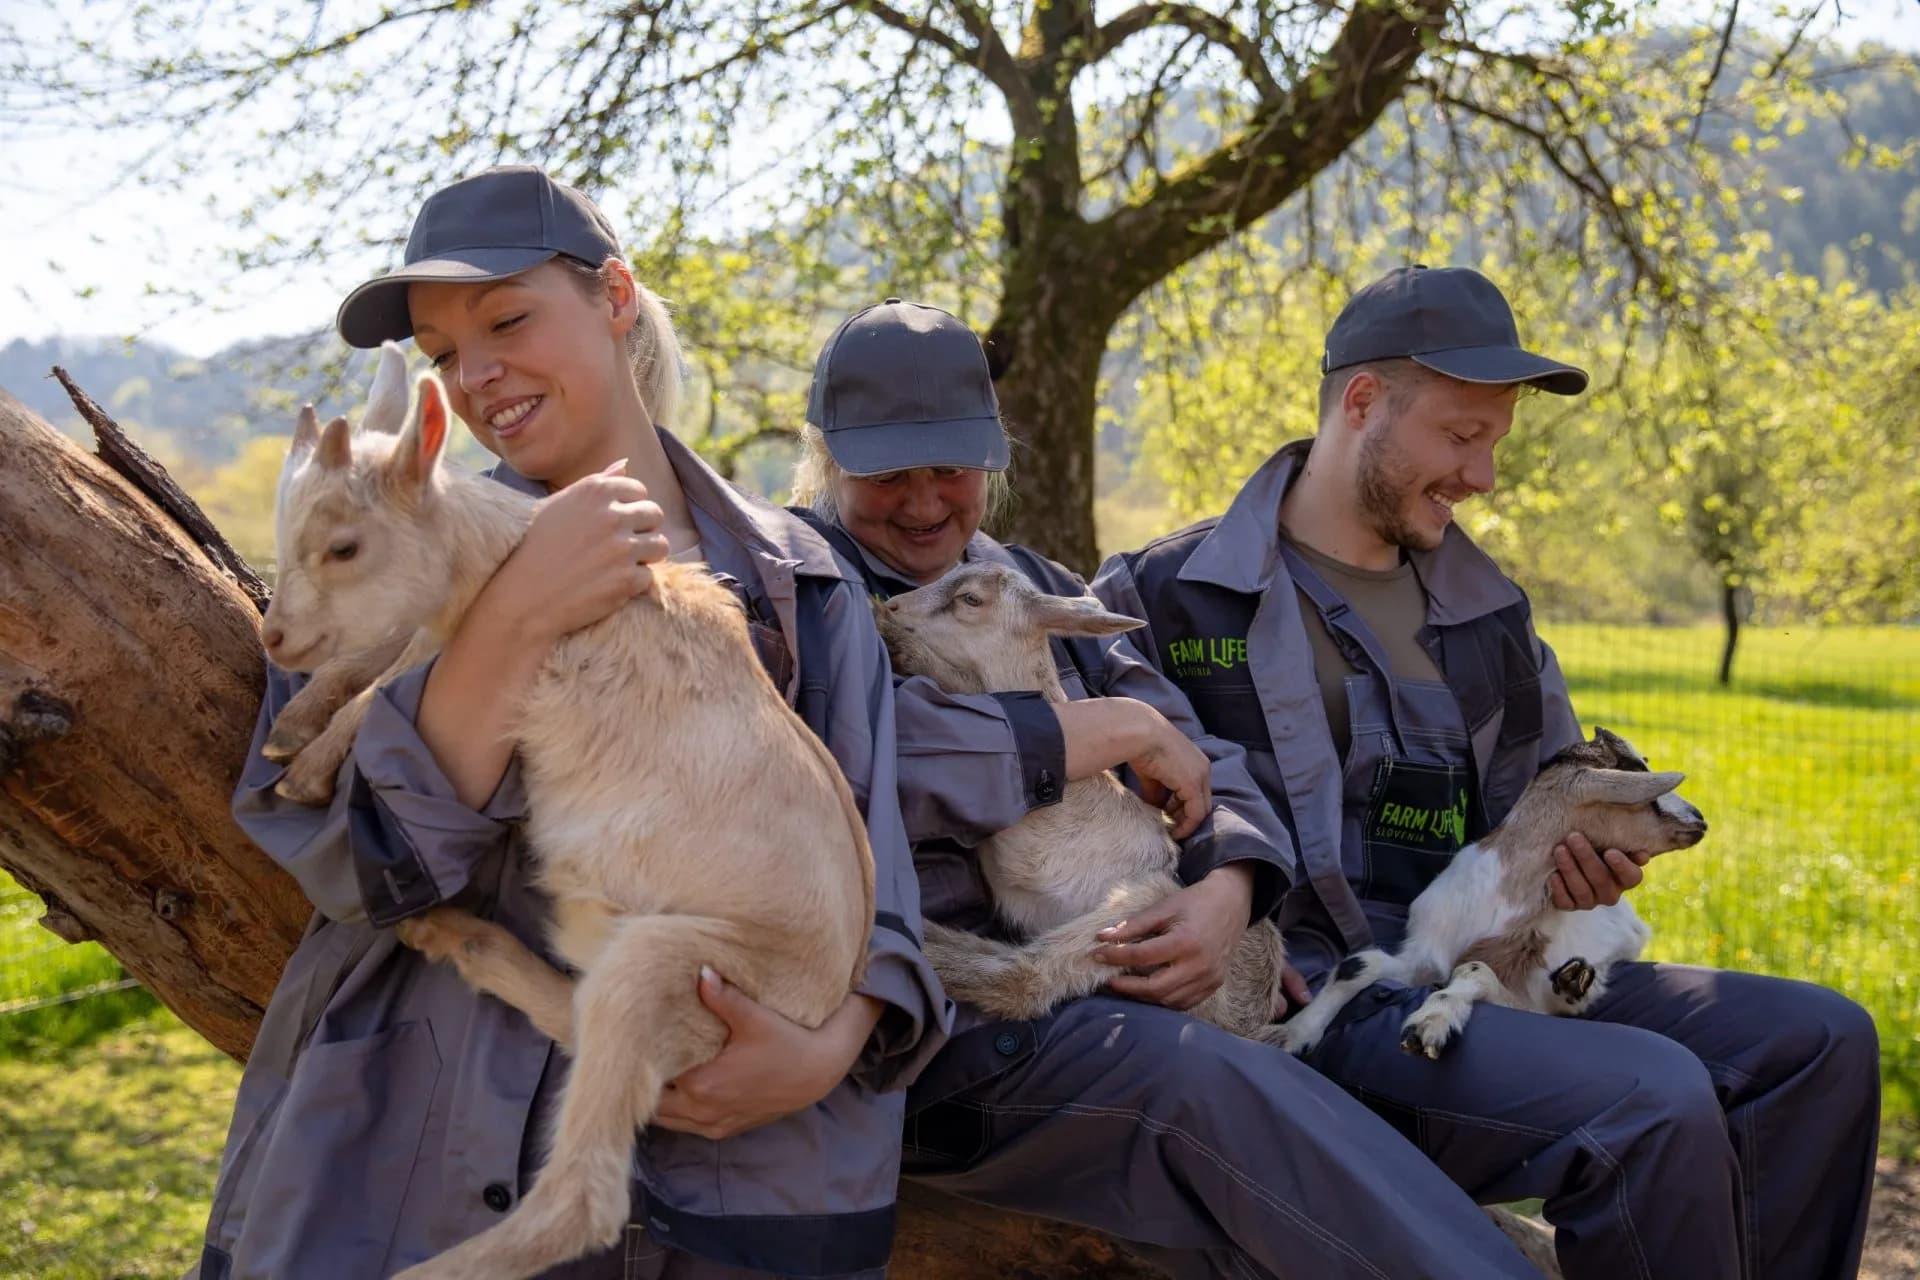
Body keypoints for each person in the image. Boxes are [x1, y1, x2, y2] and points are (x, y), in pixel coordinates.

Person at [197, 168, 947, 1280]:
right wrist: (518, 608)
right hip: (430, 1156)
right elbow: (351, 858)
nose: (480, 372)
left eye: (507, 319)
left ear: (614, 297)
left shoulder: (805, 578)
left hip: (742, 1185)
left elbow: (869, 842)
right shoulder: (380, 559)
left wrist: (828, 1043)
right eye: (447, 353)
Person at [1095, 264, 1882, 1280]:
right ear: (1362, 403)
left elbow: (1538, 811)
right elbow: (1098, 824)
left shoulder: (1492, 614)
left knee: (1821, 1041)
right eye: (1462, 437)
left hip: (1486, 976)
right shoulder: (1164, 593)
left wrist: (1584, 864)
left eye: (1496, 442)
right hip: (1315, 1008)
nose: (1484, 476)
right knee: (1650, 1099)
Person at [788, 297, 1543, 1279]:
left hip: (1102, 992)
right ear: (828, 459)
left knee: (1273, 1135)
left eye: (954, 467)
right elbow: (852, 759)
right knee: (1223, 1095)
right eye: (890, 471)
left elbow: (1202, 751)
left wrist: (1229, 889)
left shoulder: (1030, 580)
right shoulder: (803, 593)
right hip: (942, 1031)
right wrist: (1088, 730)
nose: (927, 501)